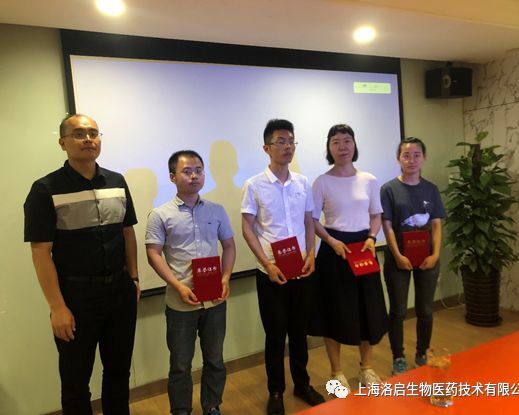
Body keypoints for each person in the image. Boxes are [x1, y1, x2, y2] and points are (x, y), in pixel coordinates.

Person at [24, 114, 140, 415]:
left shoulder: (117, 181)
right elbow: (40, 253)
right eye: (78, 134)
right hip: (75, 298)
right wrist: (57, 307)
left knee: (118, 373)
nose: (88, 139)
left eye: (93, 133)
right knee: (76, 382)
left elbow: (127, 232)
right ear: (62, 143)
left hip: (119, 292)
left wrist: (134, 279)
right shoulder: (45, 189)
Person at [241, 119, 325, 415]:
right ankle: (275, 391)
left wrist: (312, 254)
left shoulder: (302, 182)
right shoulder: (254, 185)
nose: (288, 146)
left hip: (301, 268)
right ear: (267, 148)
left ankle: (302, 384)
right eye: (281, 141)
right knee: (276, 334)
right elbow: (247, 228)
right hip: (272, 272)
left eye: (291, 141)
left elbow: (309, 222)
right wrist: (267, 263)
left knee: (300, 331)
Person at [145, 150, 235, 415]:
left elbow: (229, 246)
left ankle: (212, 406)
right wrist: (178, 286)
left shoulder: (217, 210)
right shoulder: (160, 214)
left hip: (214, 300)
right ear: (173, 177)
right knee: (181, 365)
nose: (194, 176)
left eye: (198, 170)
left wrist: (226, 277)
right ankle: (181, 409)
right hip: (180, 302)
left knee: (215, 359)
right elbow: (153, 253)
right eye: (187, 171)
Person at [309, 124, 388, 391]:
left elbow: (376, 215)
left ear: (354, 145)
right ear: (329, 148)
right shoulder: (322, 182)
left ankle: (366, 368)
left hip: (363, 249)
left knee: (368, 310)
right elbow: (312, 220)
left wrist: (372, 238)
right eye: (336, 142)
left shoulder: (369, 180)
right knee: (334, 312)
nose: (342, 146)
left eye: (347, 140)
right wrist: (331, 241)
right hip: (334, 251)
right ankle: (336, 372)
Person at [380, 137, 446, 375]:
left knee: (425, 310)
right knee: (398, 310)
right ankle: (398, 356)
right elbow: (387, 226)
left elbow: (436, 224)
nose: (411, 160)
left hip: (427, 258)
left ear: (423, 158)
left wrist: (435, 254)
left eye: (416, 155)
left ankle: (422, 353)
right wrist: (397, 255)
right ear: (399, 159)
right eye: (406, 155)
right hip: (398, 259)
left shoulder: (431, 189)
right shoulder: (388, 189)